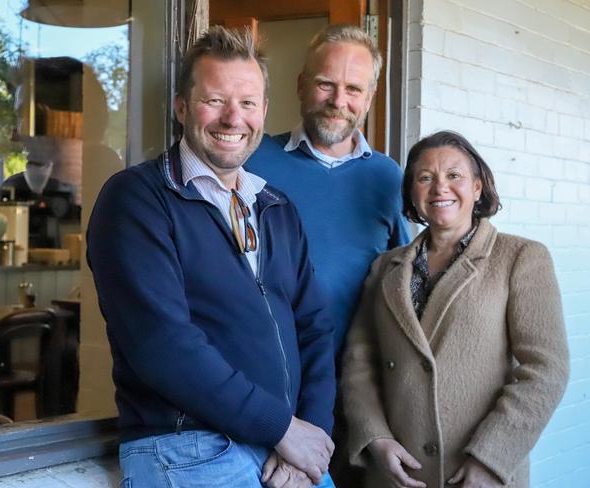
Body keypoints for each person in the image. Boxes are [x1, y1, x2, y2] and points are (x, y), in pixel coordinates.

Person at [87, 26, 336, 488]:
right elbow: (162, 345)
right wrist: (282, 428)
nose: (231, 118)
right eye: (214, 100)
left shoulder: (275, 207)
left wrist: (310, 435)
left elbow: (315, 328)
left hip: (285, 446)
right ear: (182, 107)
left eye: (246, 103)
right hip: (188, 447)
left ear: (263, 111)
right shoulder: (138, 199)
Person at [342, 131, 569, 488]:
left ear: (477, 188)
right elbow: (359, 360)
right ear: (412, 192)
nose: (439, 188)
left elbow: (546, 369)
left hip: (477, 473)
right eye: (425, 177)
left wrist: (492, 458)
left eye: (454, 176)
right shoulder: (384, 267)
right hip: (398, 472)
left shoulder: (521, 258)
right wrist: (375, 437)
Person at [246, 24, 411, 487]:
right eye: (325, 83)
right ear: (300, 84)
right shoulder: (254, 163)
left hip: (361, 393)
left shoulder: (389, 178)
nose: (339, 99)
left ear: (370, 96)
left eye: (354, 88)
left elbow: (407, 284)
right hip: (271, 390)